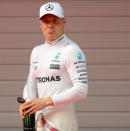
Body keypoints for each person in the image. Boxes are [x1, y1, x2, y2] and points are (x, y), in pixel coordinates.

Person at [19, 2, 88, 131]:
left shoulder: (72, 50)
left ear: (63, 21)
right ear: (40, 24)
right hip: (40, 118)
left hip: (62, 120)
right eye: (45, 22)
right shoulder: (36, 51)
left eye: (55, 21)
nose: (50, 26)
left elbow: (81, 90)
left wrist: (46, 101)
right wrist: (28, 103)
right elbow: (31, 83)